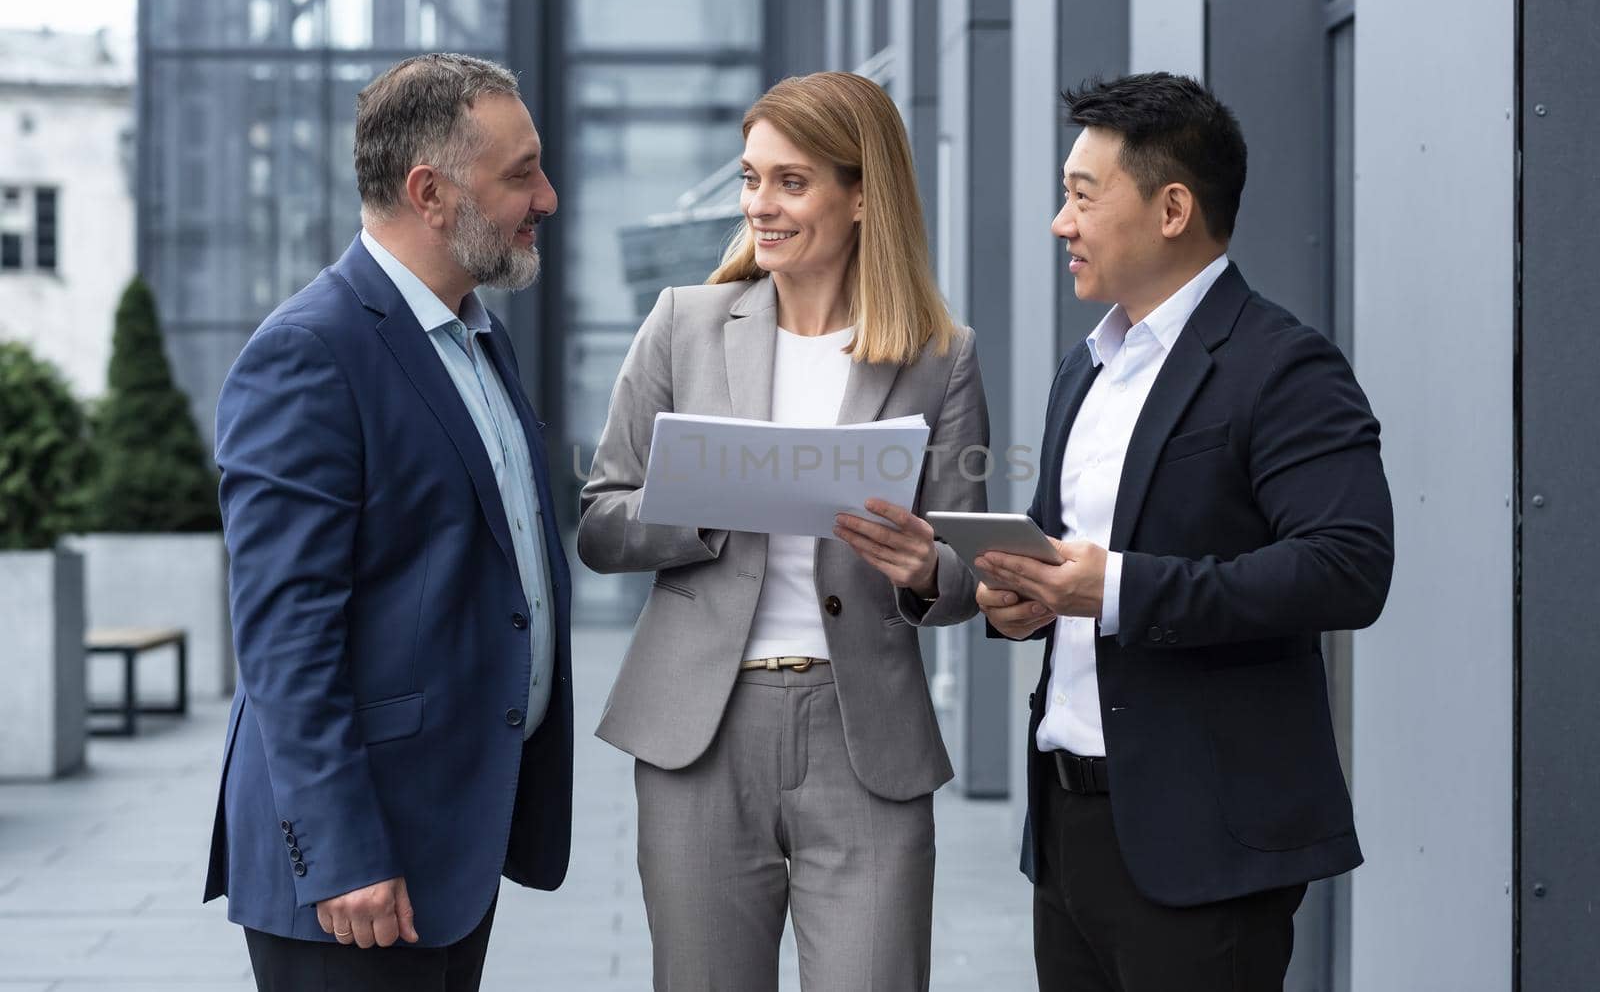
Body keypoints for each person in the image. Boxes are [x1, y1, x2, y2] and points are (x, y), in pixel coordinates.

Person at [974, 73, 1394, 991]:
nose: (1061, 222)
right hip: (1069, 830)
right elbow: (1066, 558)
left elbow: (1347, 567)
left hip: (1205, 845)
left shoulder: (1284, 365)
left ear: (1172, 207)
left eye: (1083, 196)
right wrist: (1022, 601)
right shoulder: (1084, 370)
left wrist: (1113, 589)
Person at [578, 71, 988, 991]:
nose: (760, 205)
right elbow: (601, 523)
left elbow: (973, 568)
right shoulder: (681, 324)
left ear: (862, 195)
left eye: (791, 182)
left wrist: (928, 568)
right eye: (751, 178)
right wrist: (701, 506)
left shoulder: (940, 356)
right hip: (701, 732)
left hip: (866, 738)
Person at [204, 53, 573, 992]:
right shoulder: (308, 353)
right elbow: (284, 636)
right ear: (431, 191)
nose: (549, 196)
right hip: (358, 874)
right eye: (522, 171)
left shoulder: (475, 337)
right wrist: (342, 852)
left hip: (449, 839)